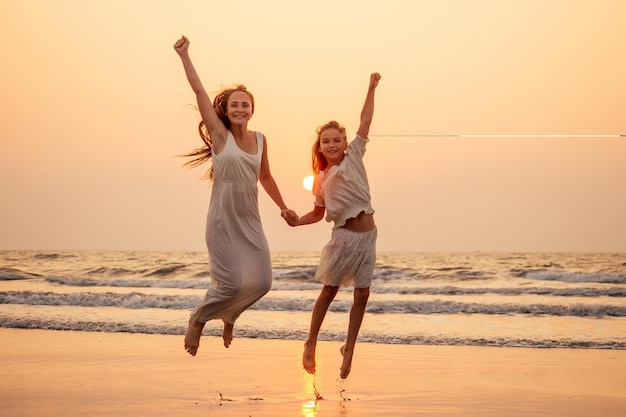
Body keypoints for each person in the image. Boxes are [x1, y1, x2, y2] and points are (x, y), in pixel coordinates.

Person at [173, 35, 296, 356]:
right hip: (222, 222)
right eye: (235, 104)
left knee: (263, 282)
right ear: (226, 110)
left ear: (252, 109)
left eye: (245, 104)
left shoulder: (261, 139)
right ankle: (199, 318)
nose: (240, 108)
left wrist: (283, 207)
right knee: (230, 284)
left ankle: (230, 314)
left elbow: (265, 176)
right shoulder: (219, 135)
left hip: (250, 220)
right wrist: (185, 55)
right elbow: (199, 91)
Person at [286, 72, 381, 379]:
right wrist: (296, 221)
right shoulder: (320, 179)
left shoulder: (354, 156)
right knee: (329, 291)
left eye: (336, 139)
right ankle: (310, 342)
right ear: (320, 145)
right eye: (326, 141)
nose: (331, 144)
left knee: (362, 295)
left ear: (344, 142)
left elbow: (365, 121)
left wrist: (371, 87)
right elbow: (317, 213)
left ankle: (349, 348)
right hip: (343, 239)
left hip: (368, 237)